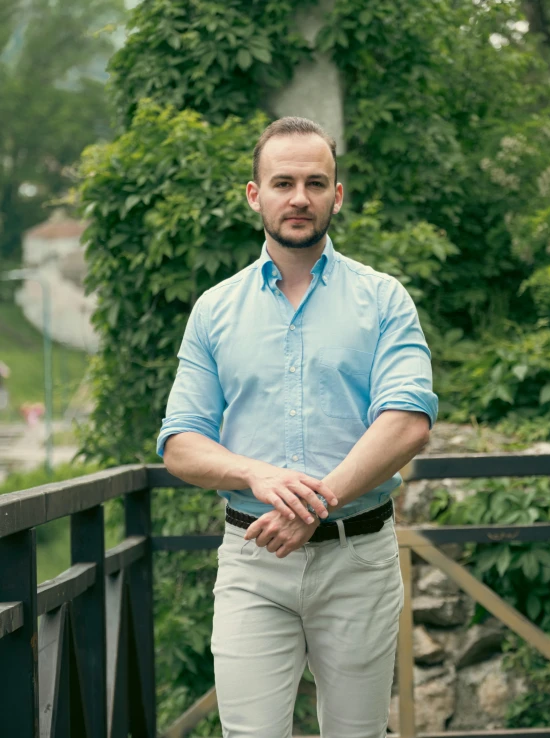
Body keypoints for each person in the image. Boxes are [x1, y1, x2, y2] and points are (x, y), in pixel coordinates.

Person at [157, 116, 438, 738]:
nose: (300, 197)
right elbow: (181, 442)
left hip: (357, 557)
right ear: (255, 194)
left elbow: (409, 422)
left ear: (337, 195)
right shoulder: (214, 309)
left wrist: (314, 503)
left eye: (316, 182)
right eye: (283, 182)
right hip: (253, 558)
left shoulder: (384, 299)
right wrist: (257, 473)